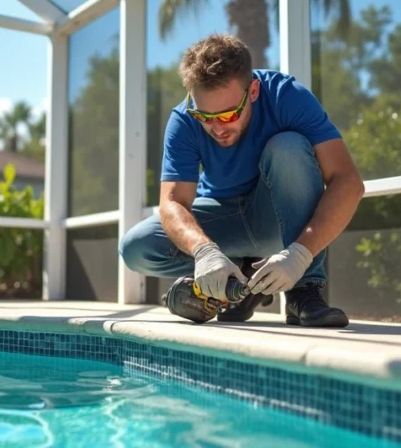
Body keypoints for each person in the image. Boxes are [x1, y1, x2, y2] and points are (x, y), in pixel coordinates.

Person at [118, 34, 365, 327]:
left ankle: (304, 291)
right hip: (224, 220)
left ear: (254, 90)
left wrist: (299, 255)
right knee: (136, 247)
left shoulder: (287, 96)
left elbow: (348, 182)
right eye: (204, 116)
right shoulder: (183, 120)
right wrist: (204, 251)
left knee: (288, 146)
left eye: (228, 115)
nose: (216, 128)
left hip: (281, 221)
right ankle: (241, 278)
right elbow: (172, 202)